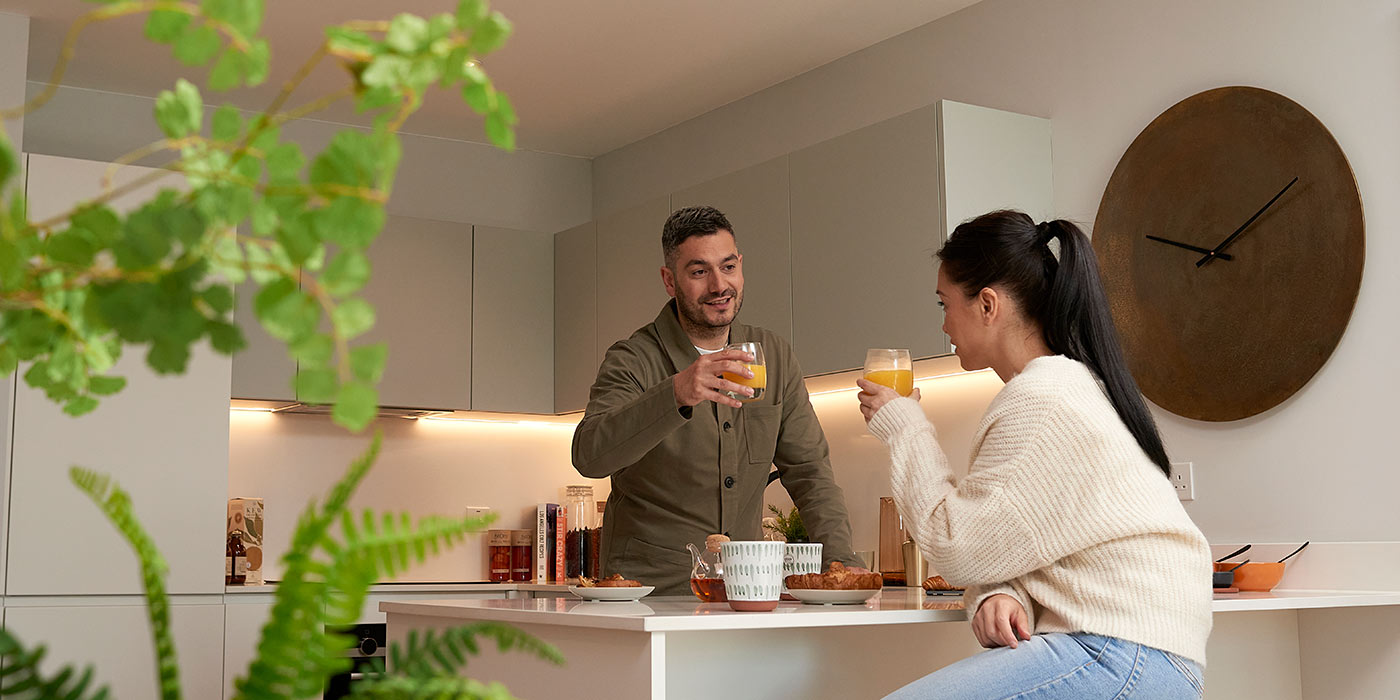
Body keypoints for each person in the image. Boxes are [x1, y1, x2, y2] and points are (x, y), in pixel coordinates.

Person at [858, 210, 1212, 699]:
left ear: (987, 304)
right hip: (1141, 655)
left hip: (1119, 654)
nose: (943, 326)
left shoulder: (1042, 401)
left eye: (945, 304)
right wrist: (1001, 591)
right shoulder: (1067, 387)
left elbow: (956, 547)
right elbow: (1014, 537)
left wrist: (906, 427)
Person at [573, 205, 860, 595]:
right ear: (669, 281)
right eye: (698, 272)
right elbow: (590, 455)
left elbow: (810, 472)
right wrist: (675, 393)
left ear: (741, 266)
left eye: (728, 267)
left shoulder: (772, 355)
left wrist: (843, 563)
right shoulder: (633, 358)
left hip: (748, 590)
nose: (718, 286)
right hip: (649, 595)